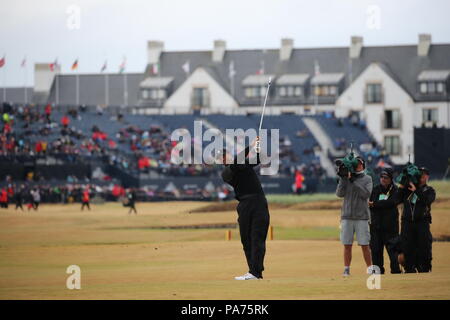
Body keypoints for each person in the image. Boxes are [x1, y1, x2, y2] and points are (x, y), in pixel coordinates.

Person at [220, 137, 270, 280]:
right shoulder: (227, 172)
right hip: (244, 205)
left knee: (257, 238)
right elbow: (237, 162)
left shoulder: (243, 165)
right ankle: (252, 270)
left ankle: (256, 272)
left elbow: (259, 159)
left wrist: (259, 149)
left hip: (259, 202)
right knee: (246, 239)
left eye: (225, 155)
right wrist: (251, 146)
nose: (224, 159)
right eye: (222, 158)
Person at [336, 156, 375, 276]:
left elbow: (365, 194)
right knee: (347, 244)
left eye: (359, 163)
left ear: (363, 165)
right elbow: (339, 193)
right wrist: (343, 179)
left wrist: (353, 180)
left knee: (365, 244)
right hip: (347, 216)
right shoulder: (346, 178)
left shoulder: (367, 179)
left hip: (361, 216)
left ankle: (370, 268)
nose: (357, 165)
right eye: (355, 163)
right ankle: (346, 269)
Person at [397, 167, 435, 273]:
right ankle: (409, 268)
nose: (421, 176)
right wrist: (402, 184)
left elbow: (427, 200)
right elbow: (397, 198)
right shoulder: (407, 189)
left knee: (424, 246)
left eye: (424, 175)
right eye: (420, 174)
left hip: (422, 222)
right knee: (407, 246)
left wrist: (416, 190)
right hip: (407, 223)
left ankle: (424, 268)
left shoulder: (429, 190)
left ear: (427, 176)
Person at [368, 168, 401, 274]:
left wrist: (376, 204)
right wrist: (378, 204)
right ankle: (378, 273)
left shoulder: (396, 190)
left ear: (391, 179)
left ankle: (396, 272)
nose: (383, 179)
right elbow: (370, 204)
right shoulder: (375, 189)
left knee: (393, 252)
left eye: (386, 177)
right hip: (376, 227)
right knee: (376, 252)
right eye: (381, 177)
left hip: (391, 228)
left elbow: (392, 202)